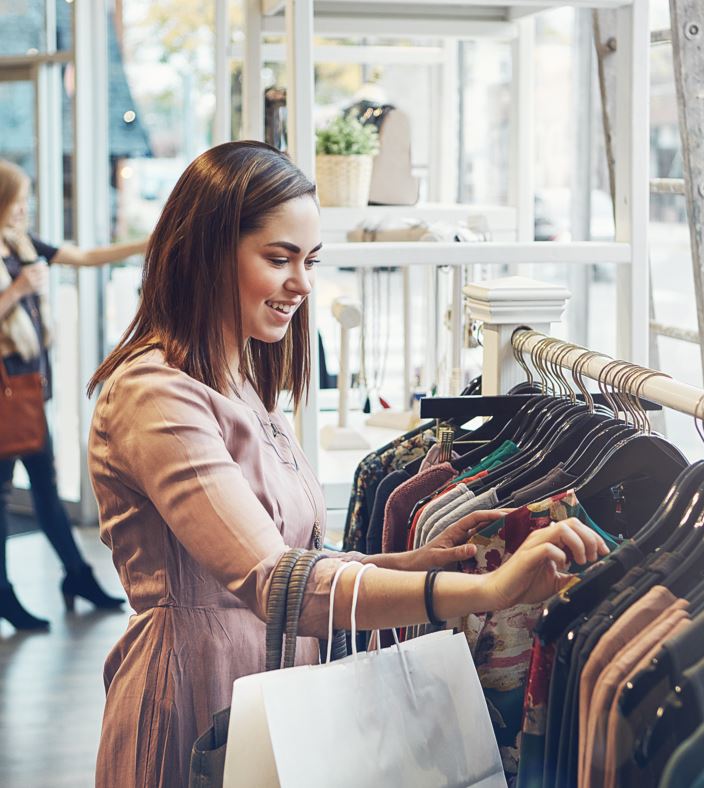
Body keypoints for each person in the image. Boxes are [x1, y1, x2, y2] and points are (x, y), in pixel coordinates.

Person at [85, 140, 608, 787]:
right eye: (279, 259)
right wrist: (483, 594)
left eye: (309, 260)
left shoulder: (240, 380)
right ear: (207, 251)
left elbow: (295, 562)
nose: (302, 284)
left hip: (271, 691)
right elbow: (274, 582)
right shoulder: (155, 393)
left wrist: (411, 563)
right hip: (196, 692)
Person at [0, 159, 146, 631]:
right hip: (5, 391)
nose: (25, 207)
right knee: (7, 493)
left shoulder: (19, 244)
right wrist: (19, 289)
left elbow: (83, 258)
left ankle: (75, 575)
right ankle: (13, 591)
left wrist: (152, 241)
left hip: (24, 387)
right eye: (18, 197)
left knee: (42, 483)